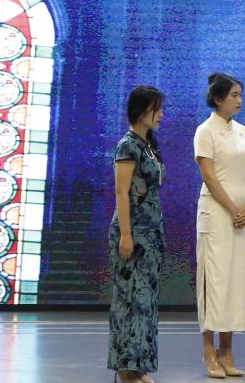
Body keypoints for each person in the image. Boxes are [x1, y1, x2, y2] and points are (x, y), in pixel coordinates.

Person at [195, 72, 245, 378]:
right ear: (218, 98)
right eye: (234, 95)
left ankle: (227, 351)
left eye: (240, 95)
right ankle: (209, 350)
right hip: (217, 214)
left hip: (241, 217)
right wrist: (232, 208)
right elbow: (208, 175)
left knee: (235, 279)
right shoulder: (205, 131)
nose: (239, 100)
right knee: (215, 279)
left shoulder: (242, 131)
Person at [109, 84, 166, 383]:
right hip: (133, 232)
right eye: (156, 109)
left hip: (151, 233)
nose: (161, 115)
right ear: (141, 110)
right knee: (128, 300)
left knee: (146, 302)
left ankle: (138, 364)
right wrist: (126, 235)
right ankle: (124, 366)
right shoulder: (127, 145)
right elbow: (122, 192)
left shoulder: (148, 146)